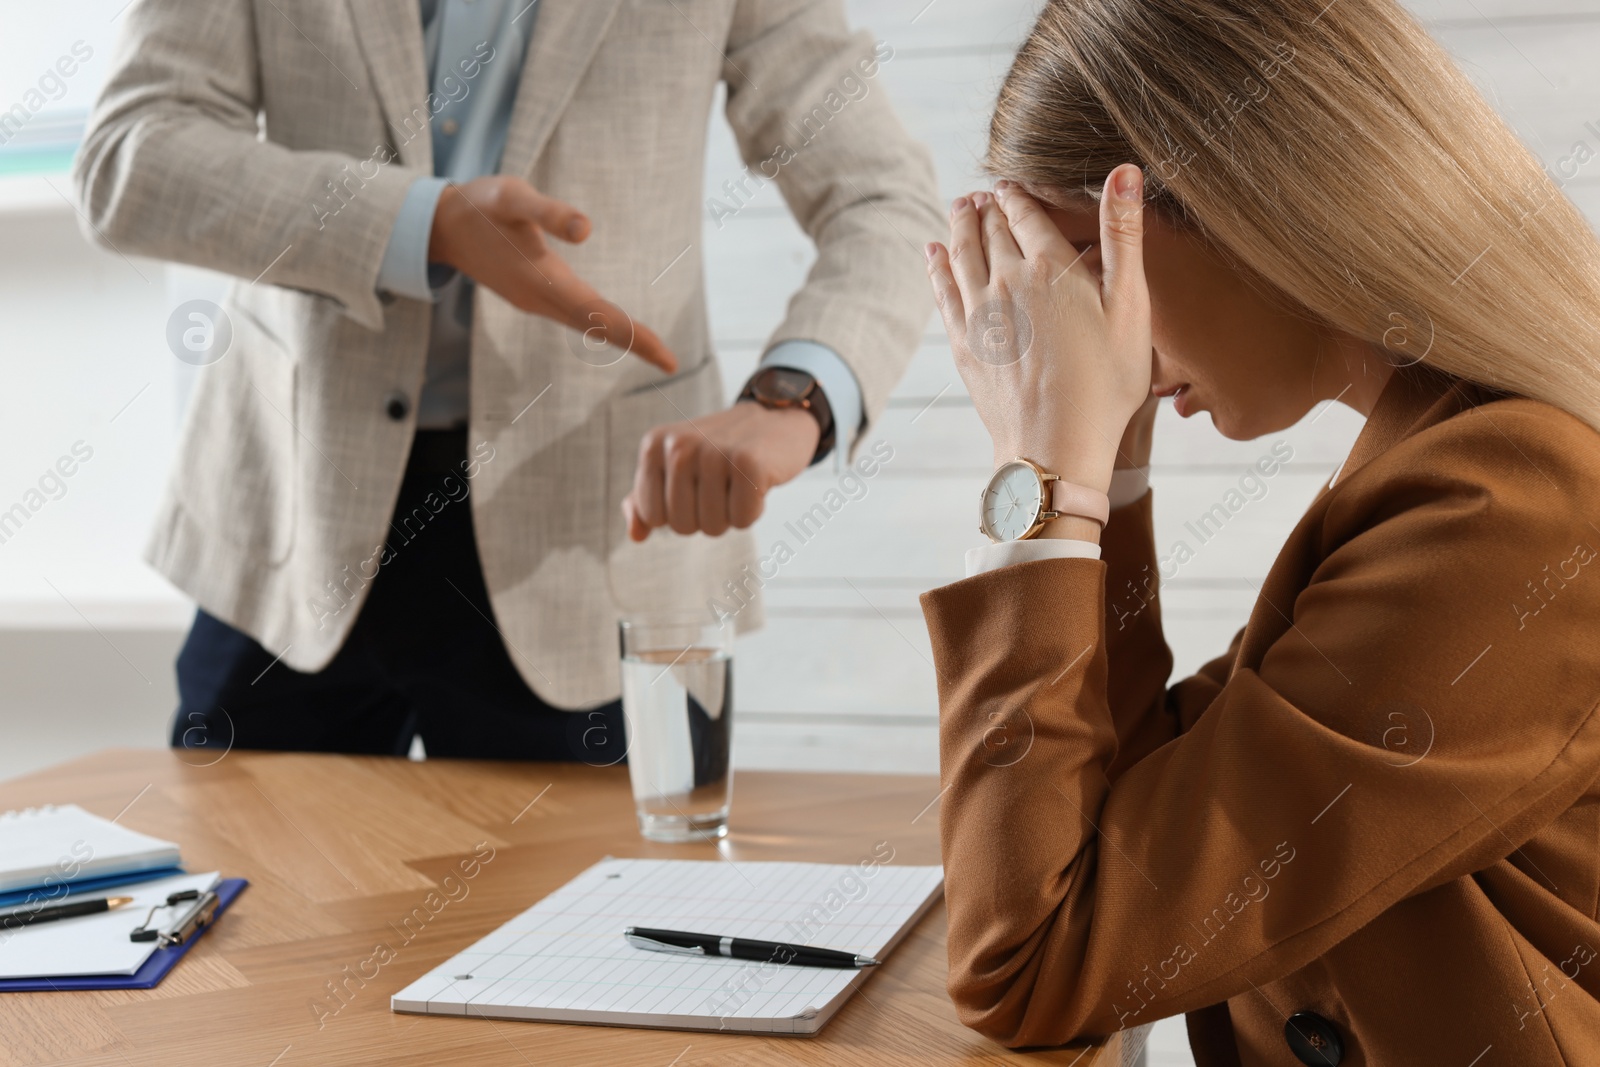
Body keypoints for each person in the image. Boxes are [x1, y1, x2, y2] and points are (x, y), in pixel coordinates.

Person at [920, 0, 1600, 1062]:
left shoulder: (1510, 507)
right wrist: (1108, 463)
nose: (1108, 338)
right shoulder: (1439, 455)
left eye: (1093, 270)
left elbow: (1036, 960)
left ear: (1248, 207)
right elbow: (1135, 816)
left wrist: (1042, 478)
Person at [72, 0, 940, 761]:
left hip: (597, 547)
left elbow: (883, 201)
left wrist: (794, 400)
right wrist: (421, 223)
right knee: (238, 933)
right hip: (290, 523)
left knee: (598, 939)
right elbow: (130, 156)